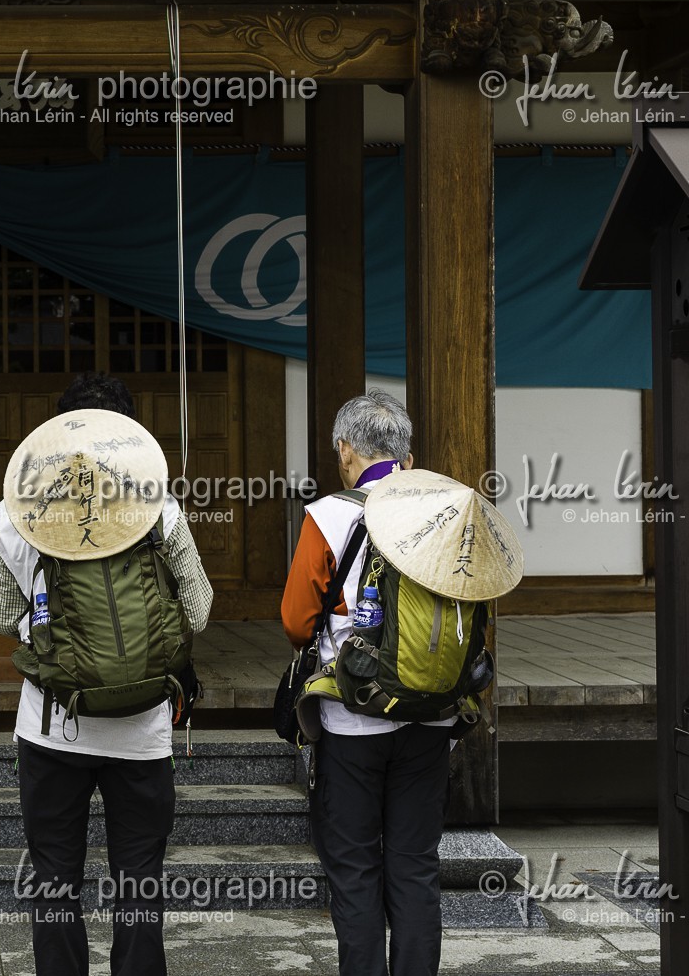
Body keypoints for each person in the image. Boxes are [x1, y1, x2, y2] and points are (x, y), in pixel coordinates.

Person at [0, 372, 213, 976]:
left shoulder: (19, 512)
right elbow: (199, 608)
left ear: (57, 437)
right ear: (131, 436)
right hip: (143, 730)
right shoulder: (160, 509)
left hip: (51, 727)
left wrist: (51, 630)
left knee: (55, 877)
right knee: (139, 878)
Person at [281, 389, 451, 976]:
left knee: (354, 870)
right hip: (431, 714)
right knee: (415, 865)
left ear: (347, 450)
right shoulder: (447, 509)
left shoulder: (329, 515)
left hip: (352, 716)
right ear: (407, 456)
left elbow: (296, 622)